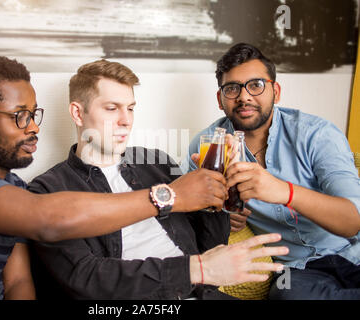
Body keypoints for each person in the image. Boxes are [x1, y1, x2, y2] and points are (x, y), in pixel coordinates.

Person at [0, 55, 249, 300]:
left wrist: (215, 195)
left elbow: (16, 284)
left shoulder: (16, 191)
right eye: (19, 116)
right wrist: (169, 197)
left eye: (130, 108)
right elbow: (54, 230)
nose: (33, 127)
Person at [28, 59, 288, 300]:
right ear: (77, 113)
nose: (125, 120)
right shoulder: (48, 191)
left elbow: (209, 244)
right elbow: (84, 278)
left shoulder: (156, 163)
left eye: (130, 108)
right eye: (111, 108)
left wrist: (217, 187)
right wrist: (196, 269)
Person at [182, 43, 360, 300]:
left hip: (352, 252)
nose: (244, 97)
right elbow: (190, 215)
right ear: (221, 100)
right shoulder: (207, 146)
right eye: (232, 88)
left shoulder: (316, 134)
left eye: (256, 85)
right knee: (287, 296)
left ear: (275, 91)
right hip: (297, 270)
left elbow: (353, 221)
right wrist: (221, 217)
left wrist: (285, 192)